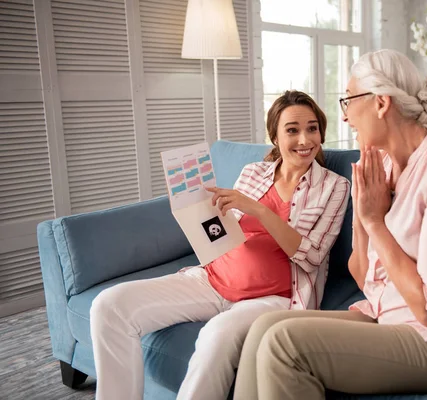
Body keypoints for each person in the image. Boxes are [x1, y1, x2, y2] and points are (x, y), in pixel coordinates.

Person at [233, 49, 427, 400]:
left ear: (380, 103)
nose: (344, 118)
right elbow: (365, 279)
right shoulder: (384, 167)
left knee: (286, 344)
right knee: (264, 328)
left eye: (347, 101)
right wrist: (363, 211)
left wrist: (376, 222)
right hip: (388, 316)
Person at [89, 90, 350, 400]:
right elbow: (224, 231)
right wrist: (196, 211)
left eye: (312, 128)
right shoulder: (252, 173)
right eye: (292, 130)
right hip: (212, 280)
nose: (305, 139)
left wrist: (260, 210)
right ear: (276, 138)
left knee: (216, 335)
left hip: (274, 298)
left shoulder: (334, 186)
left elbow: (312, 255)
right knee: (109, 306)